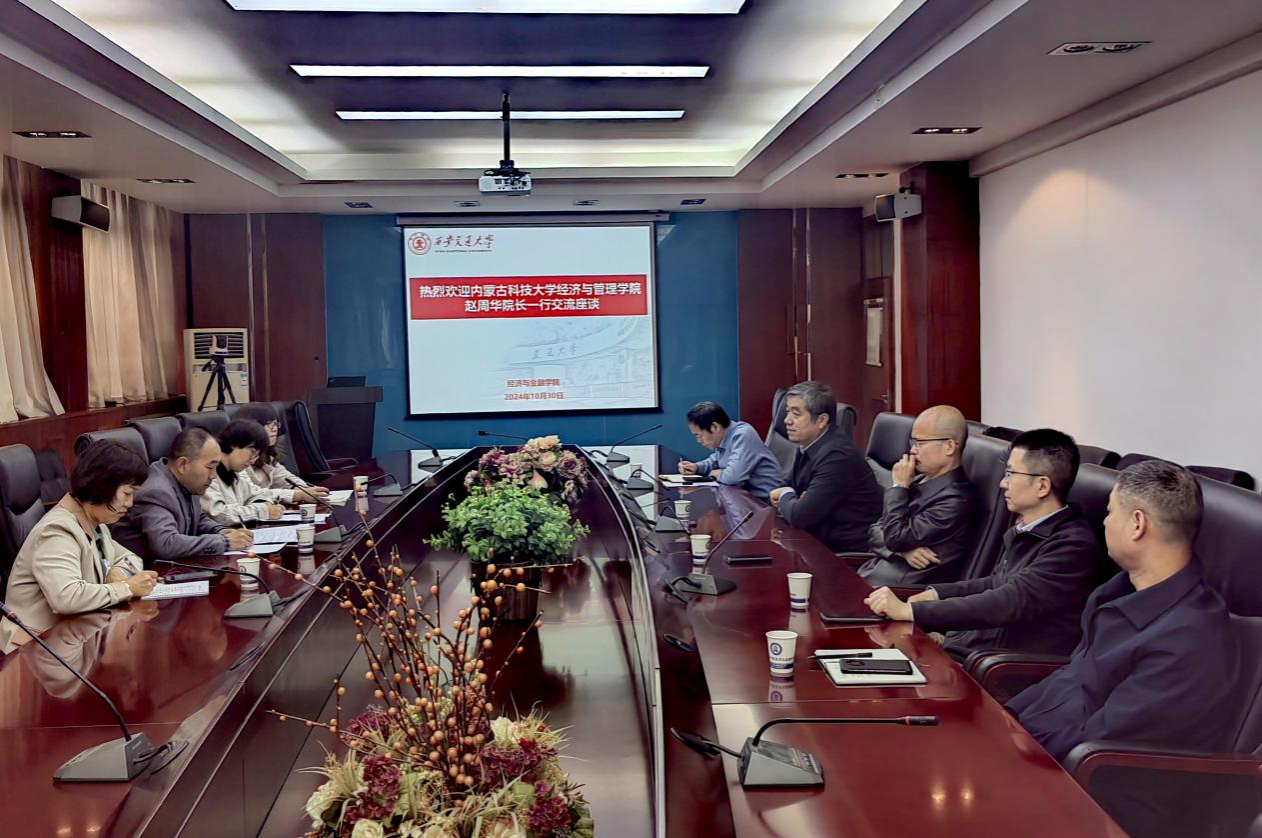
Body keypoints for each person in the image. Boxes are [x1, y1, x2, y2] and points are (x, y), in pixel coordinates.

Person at [1007, 460, 1238, 837]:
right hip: (1047, 760)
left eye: (1110, 512)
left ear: (1137, 524)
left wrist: (1013, 751)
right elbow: (1070, 678)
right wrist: (1004, 721)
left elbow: (1101, 738)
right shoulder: (1118, 594)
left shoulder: (1188, 638)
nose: (1104, 522)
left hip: (1098, 798)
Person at [865, 428, 1098, 662]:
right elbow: (995, 583)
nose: (1003, 484)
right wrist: (935, 594)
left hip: (993, 665)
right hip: (965, 647)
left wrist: (912, 611)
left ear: (1042, 486)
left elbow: (1008, 601)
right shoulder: (1028, 529)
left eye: (1010, 474)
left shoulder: (1072, 548)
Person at [1, 441, 159, 653]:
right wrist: (127, 588)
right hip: (34, 651)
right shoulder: (57, 530)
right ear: (103, 486)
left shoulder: (95, 524)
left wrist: (119, 573)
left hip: (72, 641)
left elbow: (130, 558)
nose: (130, 503)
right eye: (127, 493)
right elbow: (67, 597)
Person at [858, 405, 975, 586]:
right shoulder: (920, 478)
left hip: (898, 590)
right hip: (873, 576)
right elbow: (874, 530)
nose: (912, 450)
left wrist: (899, 486)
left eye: (920, 443)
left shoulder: (955, 501)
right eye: (913, 443)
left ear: (949, 447)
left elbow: (894, 537)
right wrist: (902, 551)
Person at [768, 381, 882, 552]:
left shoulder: (837, 456)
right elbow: (787, 486)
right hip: (813, 541)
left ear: (821, 421)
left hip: (842, 554)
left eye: (796, 414)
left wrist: (787, 495)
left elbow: (799, 516)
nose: (786, 420)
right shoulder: (807, 445)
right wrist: (792, 497)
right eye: (787, 412)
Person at [111, 427, 254, 562]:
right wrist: (224, 542)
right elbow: (167, 544)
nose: (214, 475)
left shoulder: (188, 482)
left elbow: (198, 518)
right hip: (144, 572)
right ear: (183, 465)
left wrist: (221, 531)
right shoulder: (155, 492)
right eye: (210, 467)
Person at [678, 401, 784, 499]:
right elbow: (714, 461)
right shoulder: (723, 439)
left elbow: (734, 477)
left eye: (699, 435)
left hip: (768, 502)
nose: (699, 441)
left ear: (715, 427)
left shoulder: (743, 435)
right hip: (746, 498)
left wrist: (718, 474)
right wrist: (696, 467)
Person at [233, 403, 327, 504]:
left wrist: (304, 489)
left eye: (275, 423)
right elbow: (252, 493)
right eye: (268, 424)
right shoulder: (236, 459)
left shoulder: (266, 456)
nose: (274, 429)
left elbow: (286, 479)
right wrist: (298, 495)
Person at [202, 419, 286, 525]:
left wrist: (265, 505)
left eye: (257, 455)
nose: (253, 460)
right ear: (233, 444)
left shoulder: (236, 473)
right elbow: (219, 514)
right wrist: (262, 511)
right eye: (253, 452)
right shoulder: (208, 473)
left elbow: (257, 494)